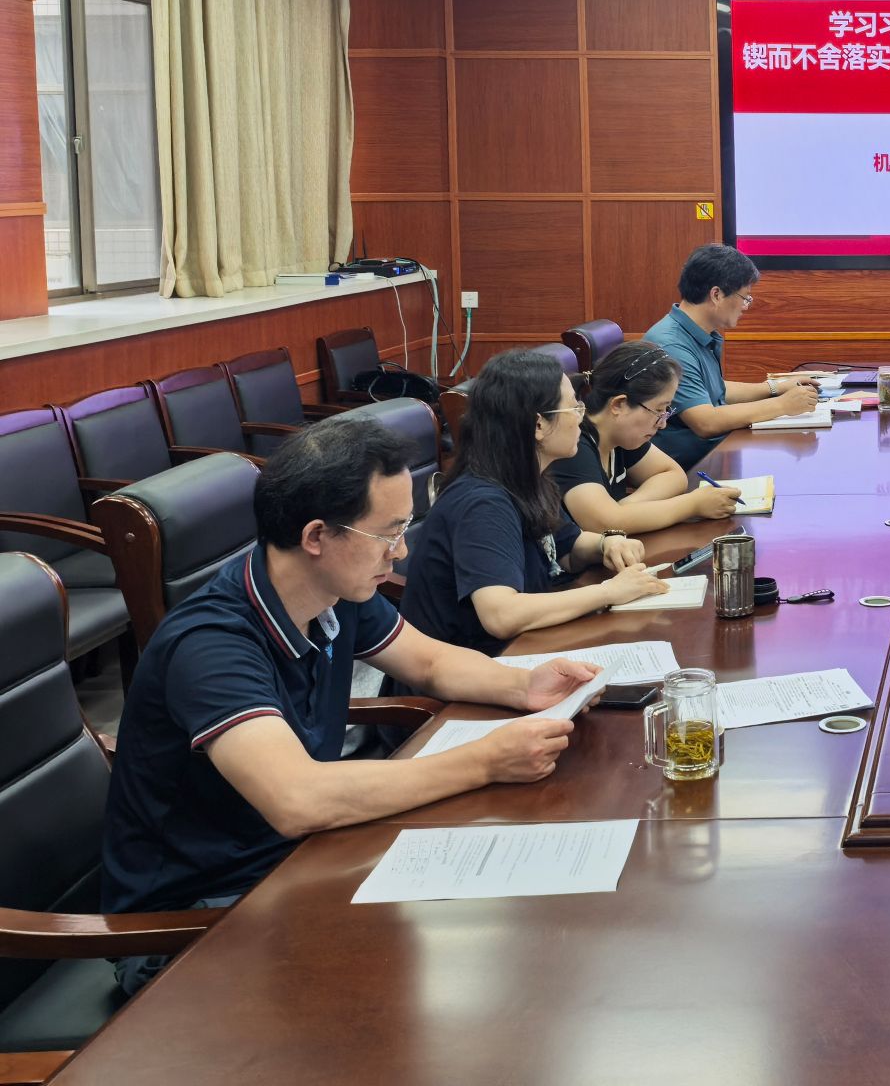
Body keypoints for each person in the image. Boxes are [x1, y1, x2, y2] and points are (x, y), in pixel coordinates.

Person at [101, 414, 604, 992]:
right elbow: (298, 799)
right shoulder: (210, 646)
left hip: (303, 862)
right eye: (388, 533)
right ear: (317, 537)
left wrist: (523, 685)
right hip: (194, 924)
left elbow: (429, 663)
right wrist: (486, 761)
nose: (401, 550)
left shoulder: (336, 590)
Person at [401, 349, 667, 656]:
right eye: (574, 408)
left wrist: (606, 544)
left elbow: (566, 548)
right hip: (472, 668)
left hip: (522, 648)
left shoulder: (529, 477)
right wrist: (608, 592)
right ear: (538, 425)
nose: (581, 418)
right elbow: (501, 616)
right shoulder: (483, 502)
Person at [644, 243, 820, 469]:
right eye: (745, 297)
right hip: (686, 468)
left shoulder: (695, 332)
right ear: (716, 295)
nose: (746, 306)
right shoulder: (671, 344)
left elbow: (713, 389)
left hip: (714, 454)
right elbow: (705, 422)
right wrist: (783, 405)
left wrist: (775, 388)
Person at [551, 340, 743, 534]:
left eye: (666, 410)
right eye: (658, 410)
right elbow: (602, 523)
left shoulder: (620, 436)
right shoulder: (574, 444)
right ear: (619, 405)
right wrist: (692, 505)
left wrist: (626, 508)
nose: (663, 423)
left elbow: (673, 474)